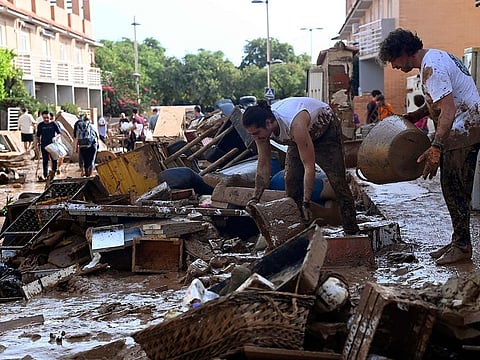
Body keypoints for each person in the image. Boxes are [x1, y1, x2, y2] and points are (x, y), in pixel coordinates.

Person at [378, 28, 480, 265]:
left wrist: (435, 147)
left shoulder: (432, 68)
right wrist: (416, 115)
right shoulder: (435, 58)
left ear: (404, 52)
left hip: (463, 132)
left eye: (393, 60)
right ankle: (458, 240)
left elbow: (448, 109)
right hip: (466, 127)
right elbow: (442, 99)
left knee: (454, 190)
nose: (393, 66)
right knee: (454, 189)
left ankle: (463, 246)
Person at [241, 97, 360, 235]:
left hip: (324, 131)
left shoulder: (295, 125)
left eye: (256, 133)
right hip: (297, 139)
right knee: (291, 180)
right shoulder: (261, 133)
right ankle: (298, 229)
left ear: (268, 123)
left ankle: (351, 228)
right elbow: (263, 166)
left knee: (337, 180)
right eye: (252, 134)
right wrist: (255, 198)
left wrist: (306, 202)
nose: (255, 138)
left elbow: (309, 167)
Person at [35, 110, 61, 182]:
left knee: (54, 159)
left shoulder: (54, 124)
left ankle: (53, 173)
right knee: (45, 160)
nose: (46, 119)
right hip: (44, 145)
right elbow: (38, 135)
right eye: (44, 118)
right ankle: (46, 175)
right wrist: (37, 143)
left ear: (50, 117)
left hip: (53, 145)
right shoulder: (40, 125)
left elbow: (59, 133)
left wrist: (55, 137)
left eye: (47, 117)